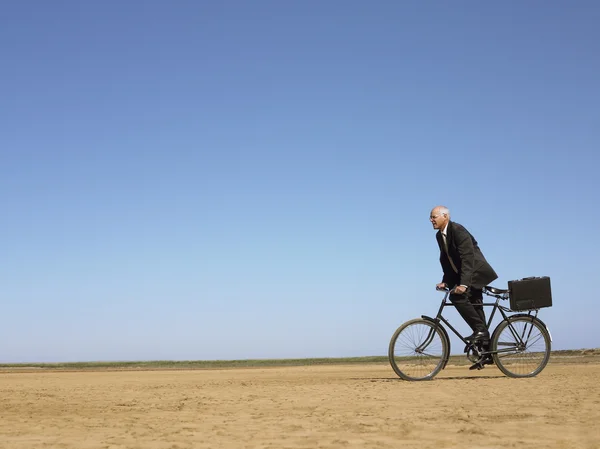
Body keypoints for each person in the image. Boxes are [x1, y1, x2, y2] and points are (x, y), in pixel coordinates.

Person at [429, 205, 498, 370]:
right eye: (430, 218)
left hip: (475, 273)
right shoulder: (440, 236)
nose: (431, 220)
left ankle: (481, 331)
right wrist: (445, 281)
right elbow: (446, 260)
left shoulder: (458, 230)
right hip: (466, 275)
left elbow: (468, 257)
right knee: (476, 309)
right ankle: (486, 354)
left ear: (445, 216)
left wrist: (463, 284)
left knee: (457, 296)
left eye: (434, 217)